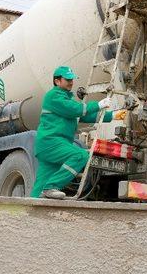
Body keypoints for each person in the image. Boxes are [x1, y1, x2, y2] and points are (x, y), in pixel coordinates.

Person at [31, 65, 127, 199]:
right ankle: (51, 187)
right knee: (80, 155)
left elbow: (85, 116)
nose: (71, 82)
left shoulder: (66, 99)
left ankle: (30, 211)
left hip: (51, 143)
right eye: (67, 79)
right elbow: (74, 109)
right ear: (57, 81)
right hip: (51, 141)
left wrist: (112, 116)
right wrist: (98, 104)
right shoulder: (53, 96)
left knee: (41, 183)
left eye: (72, 79)